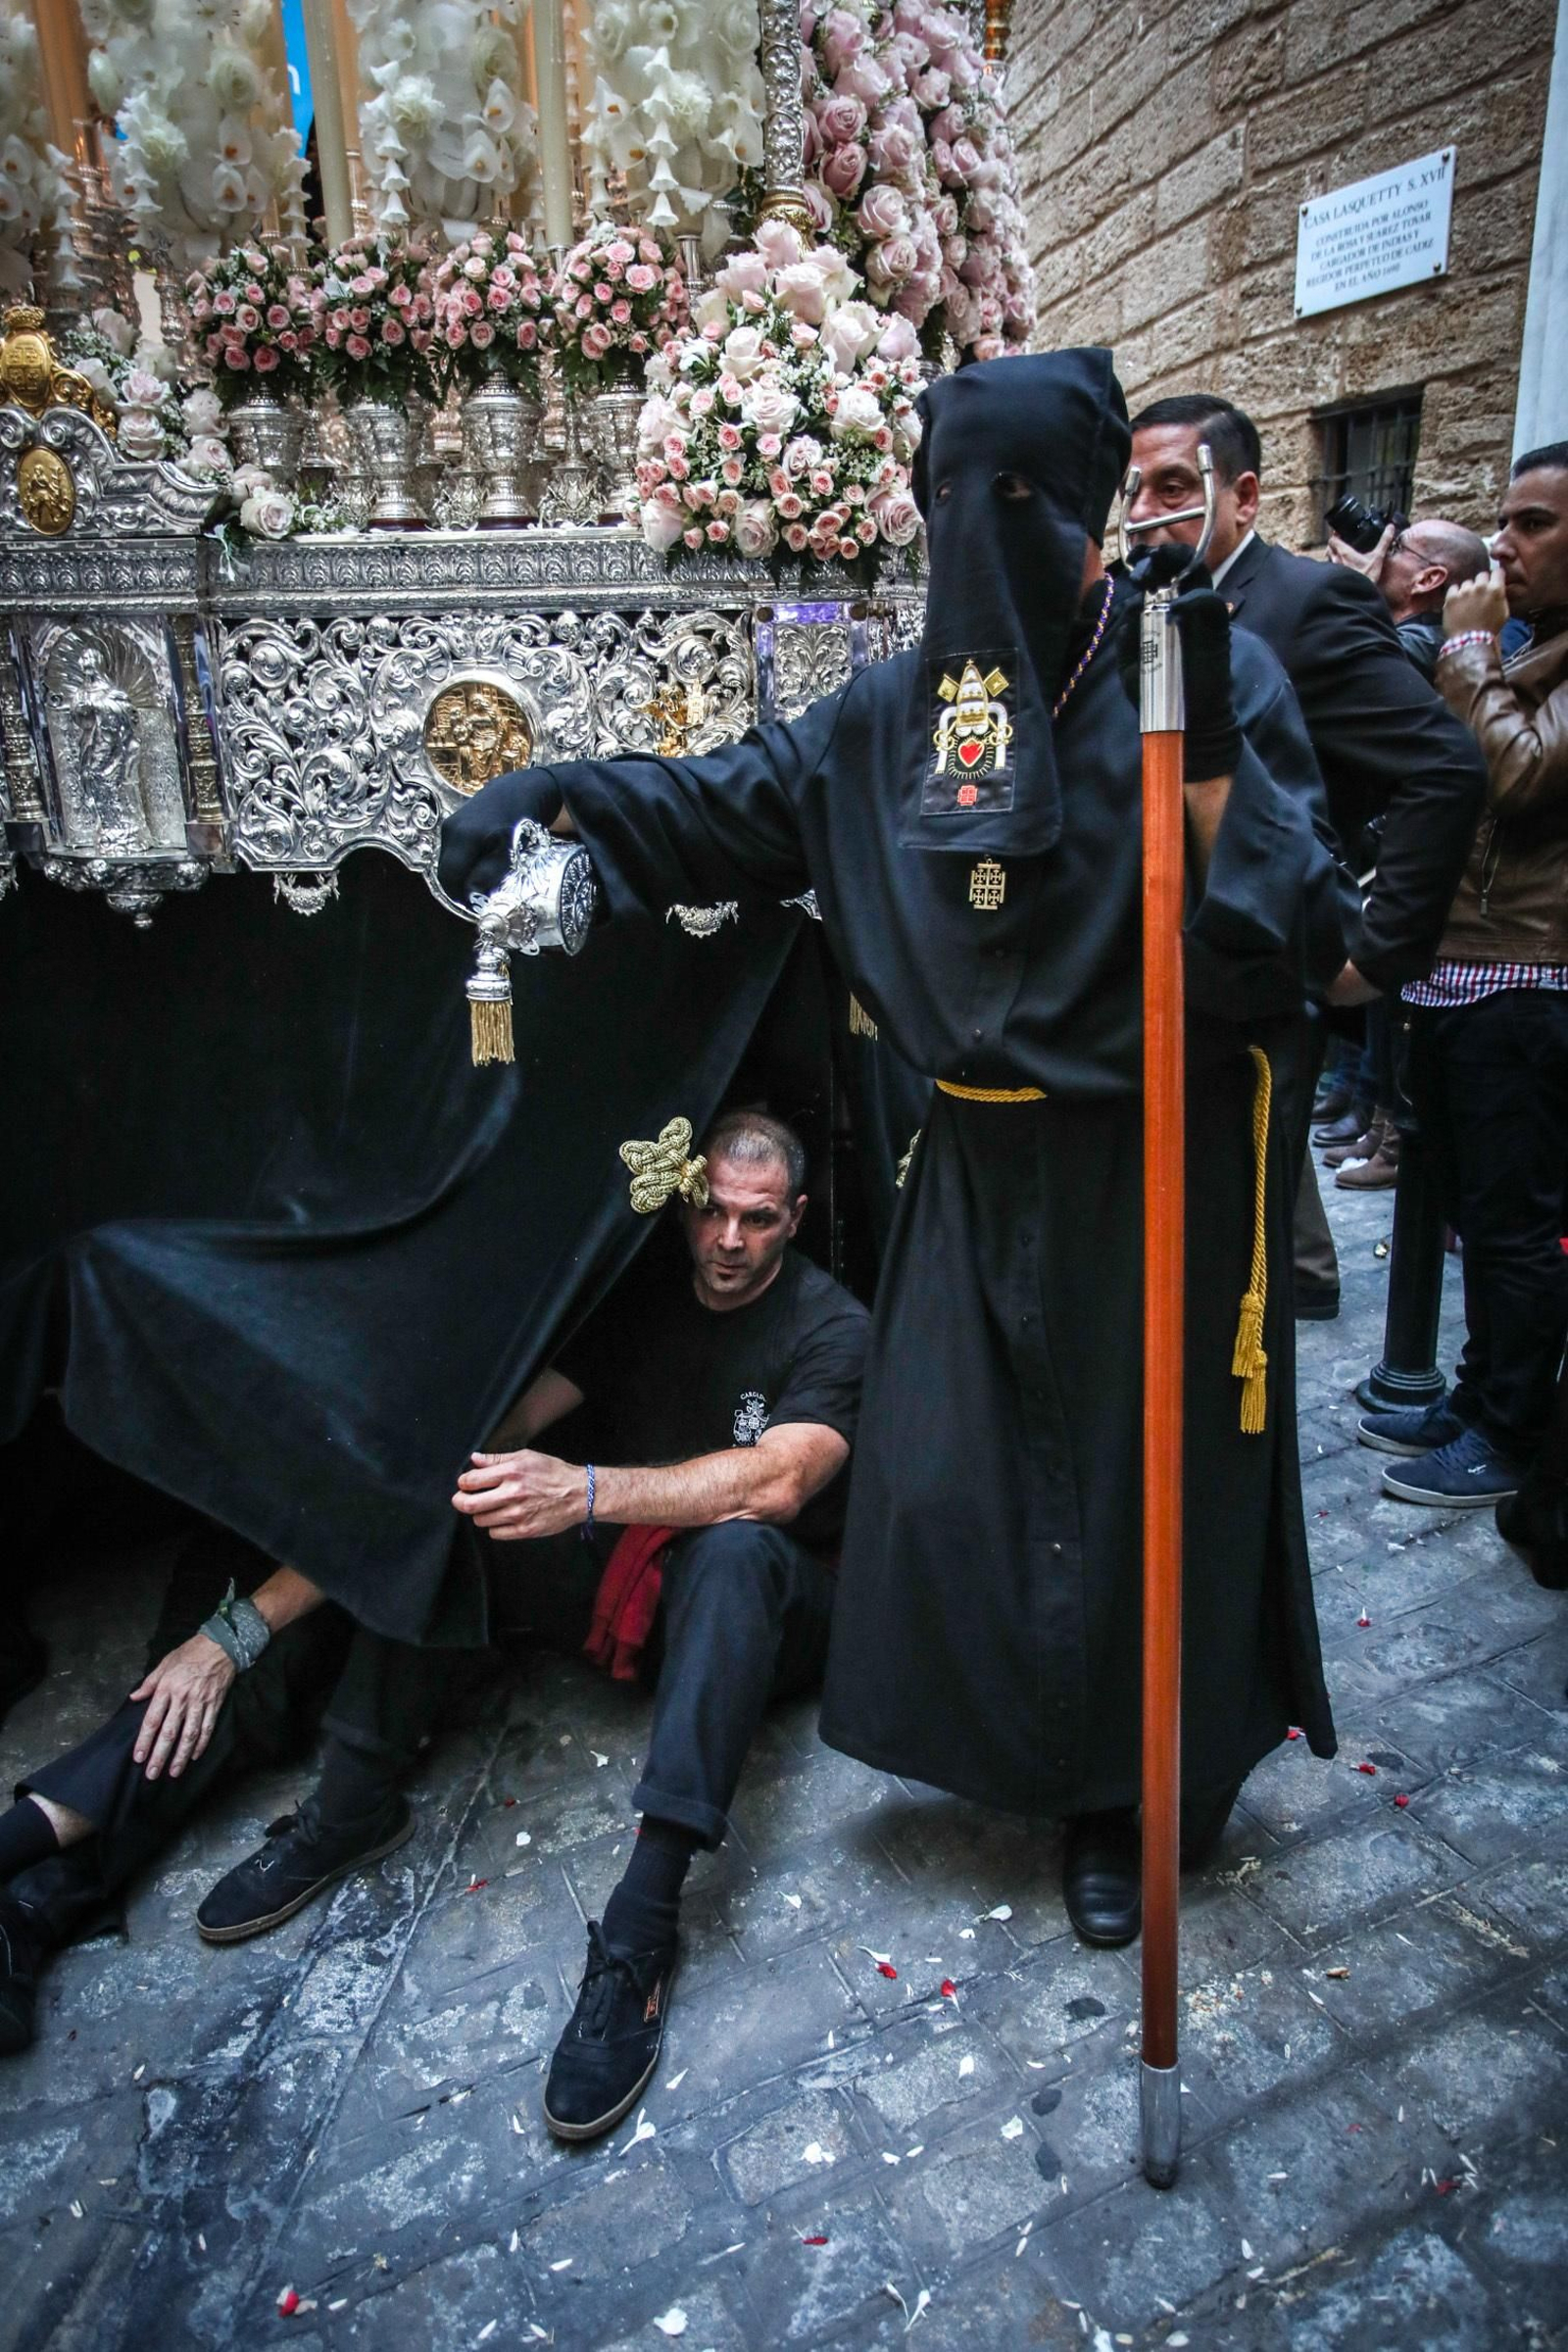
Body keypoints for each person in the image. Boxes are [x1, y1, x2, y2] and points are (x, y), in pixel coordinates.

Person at [439, 350, 1349, 1957]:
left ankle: (1133, 1791)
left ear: (1081, 515)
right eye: (949, 504)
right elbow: (730, 803)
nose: (978, 536)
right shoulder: (897, 715)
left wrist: (1201, 750)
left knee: (1149, 1496)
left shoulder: (1187, 671)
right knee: (978, 1494)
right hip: (981, 1170)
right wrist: (559, 801)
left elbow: (1297, 930)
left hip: (1158, 1176)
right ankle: (1033, 1745)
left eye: (1015, 504)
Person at [201, 1110, 868, 2142]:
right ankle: (350, 1804)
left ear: (796, 1221)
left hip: (762, 1612)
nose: (729, 1241)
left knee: (737, 1549)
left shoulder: (831, 1326)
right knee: (476, 1497)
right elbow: (524, 1418)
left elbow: (780, 1482)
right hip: (629, 1577)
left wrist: (589, 1490)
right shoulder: (646, 1295)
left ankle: (641, 1932)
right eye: (713, 1213)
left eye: (758, 1220)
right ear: (686, 1202)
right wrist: (465, 1464)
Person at [1126, 396, 1488, 1318]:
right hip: (1169, 981)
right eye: (1132, 491)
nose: (1145, 513)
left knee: (1237, 1270)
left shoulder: (1304, 603)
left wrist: (1370, 955)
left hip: (1264, 974)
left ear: (1242, 497)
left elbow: (1442, 768)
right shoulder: (1139, 609)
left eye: (1173, 487)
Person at [1358, 443, 1568, 1507]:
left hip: (1527, 978)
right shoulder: (1525, 647)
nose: (1504, 543)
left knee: (1512, 1227)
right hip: (1459, 966)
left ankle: (1512, 1431)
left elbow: (1519, 774)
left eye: (1533, 523)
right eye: (1504, 519)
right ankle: (1476, 1397)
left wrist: (1472, 650)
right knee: (1473, 1222)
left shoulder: (1506, 650)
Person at [0, 1522, 345, 2055]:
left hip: (359, 1563)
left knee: (234, 1701)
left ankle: (26, 1900)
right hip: (243, 1529)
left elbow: (379, 1529)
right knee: (174, 1698)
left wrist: (233, 1639)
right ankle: (27, 1908)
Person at [1322, 514, 1492, 1192]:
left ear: (1428, 578)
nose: (1379, 555)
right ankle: (1377, 1121)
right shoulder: (1404, 634)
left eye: (1395, 549)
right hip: (1381, 854)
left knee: (1394, 997)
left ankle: (1393, 1136)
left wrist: (1354, 597)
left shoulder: (1422, 643)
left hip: (1416, 872)